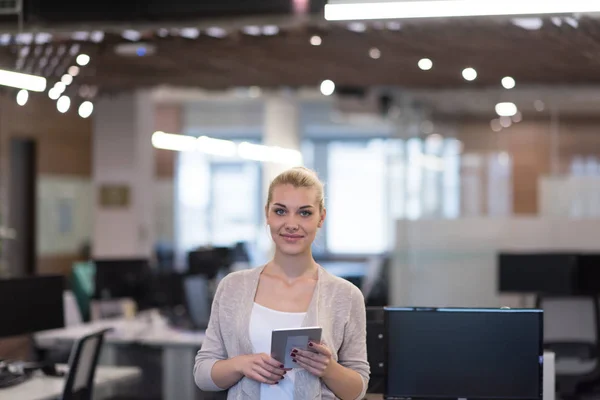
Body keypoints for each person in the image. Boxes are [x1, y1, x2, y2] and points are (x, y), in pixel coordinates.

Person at [193, 167, 370, 400]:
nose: (291, 224)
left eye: (304, 213)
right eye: (280, 211)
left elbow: (358, 390)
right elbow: (202, 374)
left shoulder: (345, 295)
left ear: (321, 217)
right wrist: (240, 364)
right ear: (267, 214)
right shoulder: (233, 287)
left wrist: (329, 369)